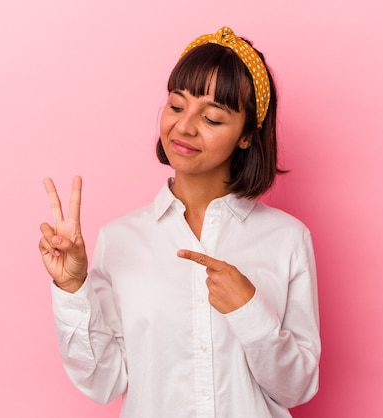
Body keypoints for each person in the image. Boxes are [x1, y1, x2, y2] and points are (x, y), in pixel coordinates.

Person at [38, 26, 320, 418]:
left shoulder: (287, 239)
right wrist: (71, 288)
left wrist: (250, 311)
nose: (184, 127)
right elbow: (105, 381)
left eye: (212, 118)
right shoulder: (119, 239)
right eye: (176, 106)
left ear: (246, 136)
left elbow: (298, 388)